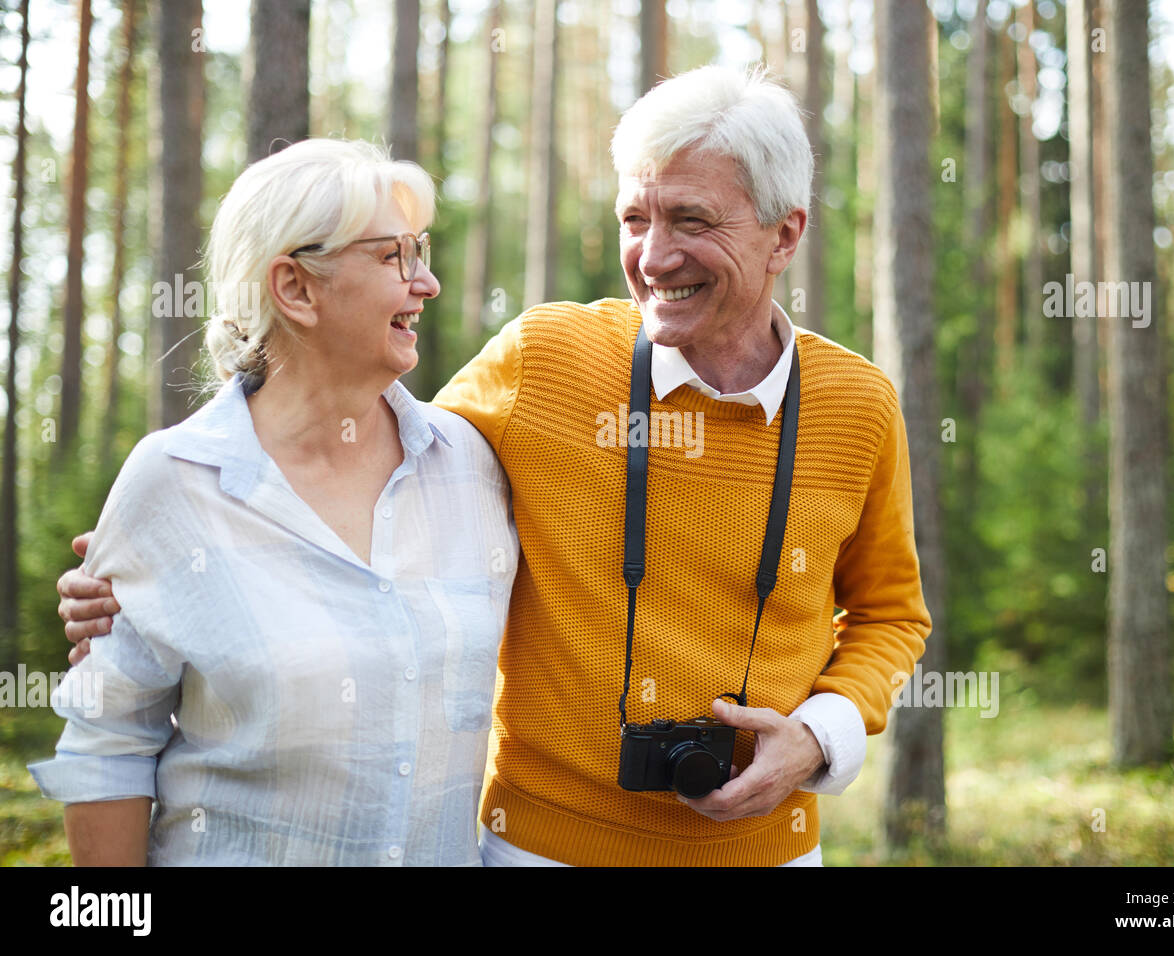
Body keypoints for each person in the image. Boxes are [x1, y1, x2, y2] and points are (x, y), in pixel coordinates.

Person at [59, 66, 930, 867]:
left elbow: (891, 615)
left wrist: (821, 737)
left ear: (785, 235)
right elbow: (348, 454)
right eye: (635, 218)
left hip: (771, 855)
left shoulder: (858, 406)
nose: (654, 256)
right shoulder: (544, 359)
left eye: (692, 221)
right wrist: (159, 563)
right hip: (534, 853)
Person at [33, 138, 518, 866]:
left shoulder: (472, 464)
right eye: (395, 257)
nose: (429, 283)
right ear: (294, 288)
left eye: (419, 251)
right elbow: (109, 743)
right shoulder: (174, 480)